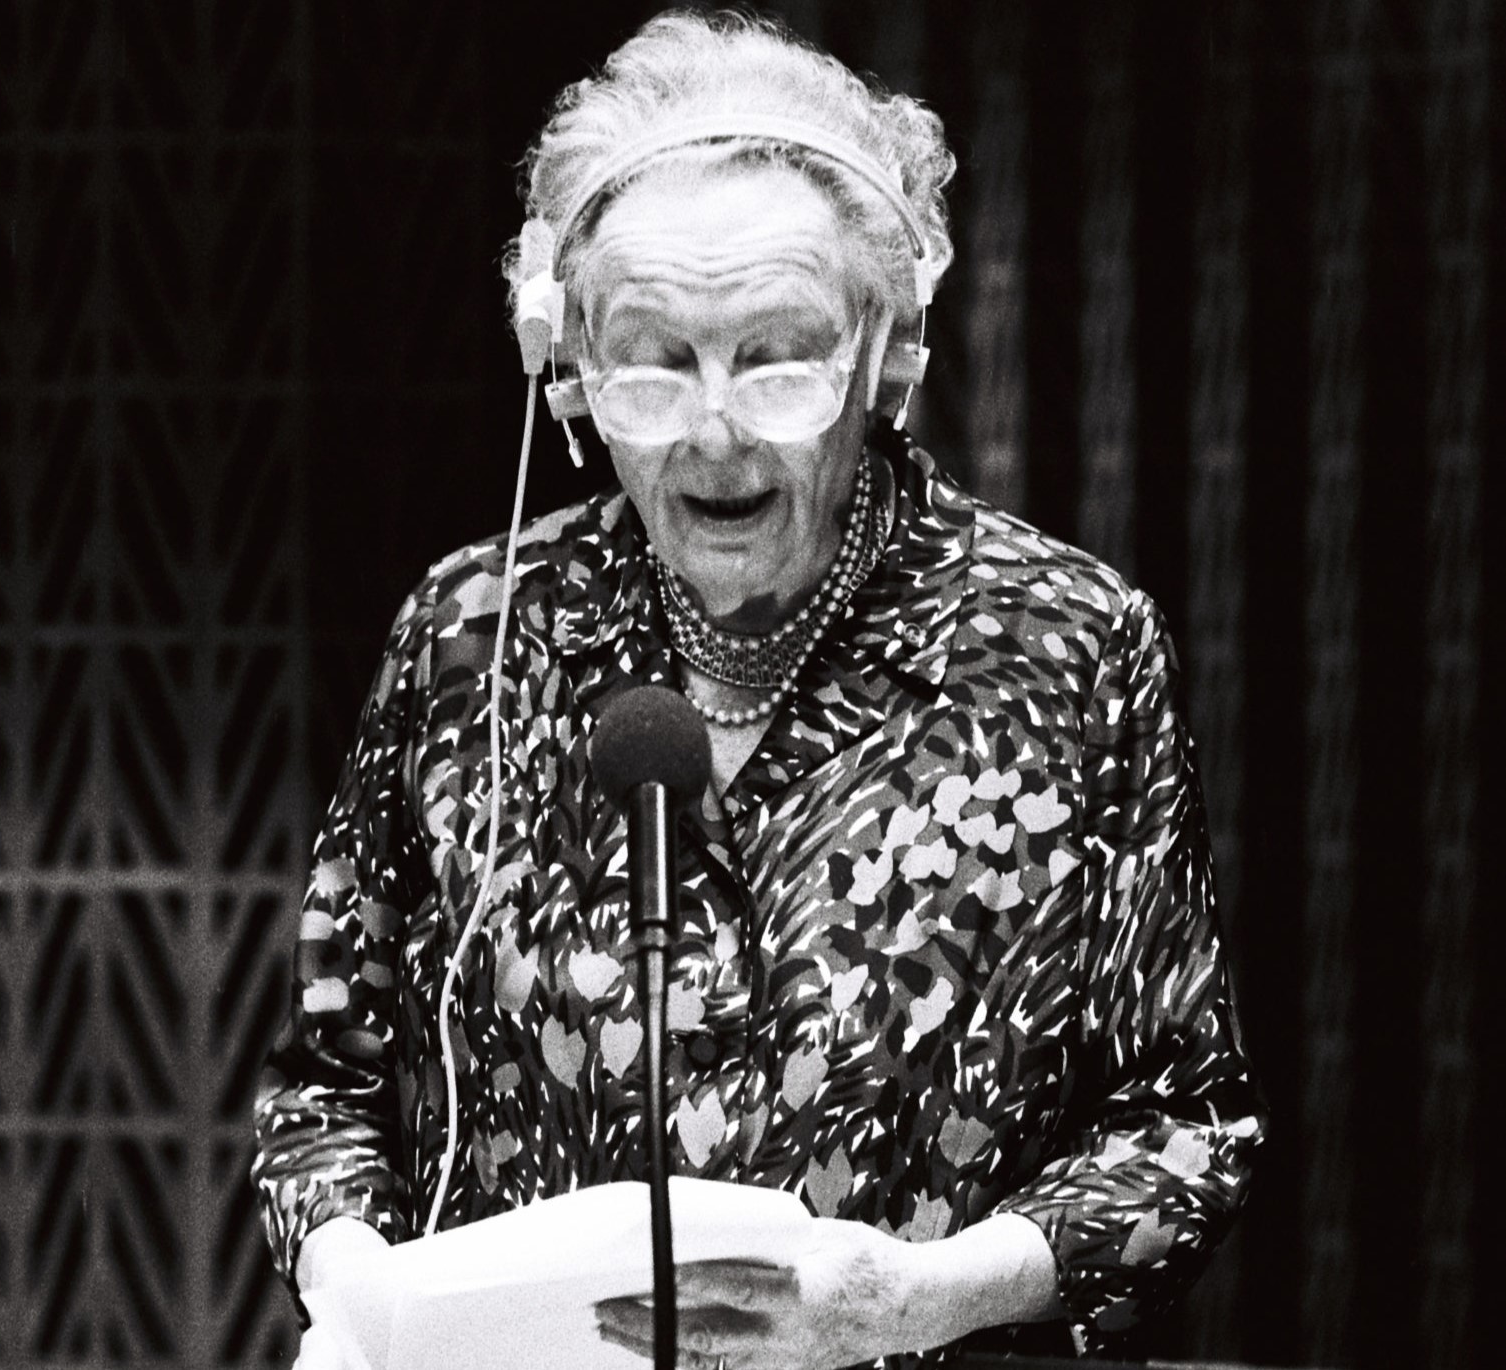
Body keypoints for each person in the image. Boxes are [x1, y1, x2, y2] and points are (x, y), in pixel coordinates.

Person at [253, 10, 1264, 1367]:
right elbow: (325, 1090)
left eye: (777, 354)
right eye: (653, 360)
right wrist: (353, 1295)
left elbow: (1183, 1130)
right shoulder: (469, 633)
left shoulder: (1066, 643)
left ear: (884, 353)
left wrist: (924, 1295)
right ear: (564, 370)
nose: (714, 427)